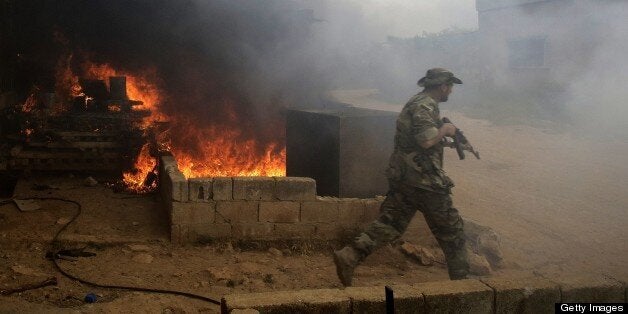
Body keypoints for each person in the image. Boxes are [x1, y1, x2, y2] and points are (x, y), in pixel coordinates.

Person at [333, 68, 470, 286]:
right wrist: (445, 130)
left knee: (391, 224)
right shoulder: (424, 105)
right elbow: (426, 140)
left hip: (406, 178)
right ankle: (464, 286)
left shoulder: (419, 103)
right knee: (452, 232)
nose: (451, 91)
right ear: (443, 86)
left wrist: (450, 141)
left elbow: (416, 141)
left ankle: (349, 256)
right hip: (425, 182)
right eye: (450, 86)